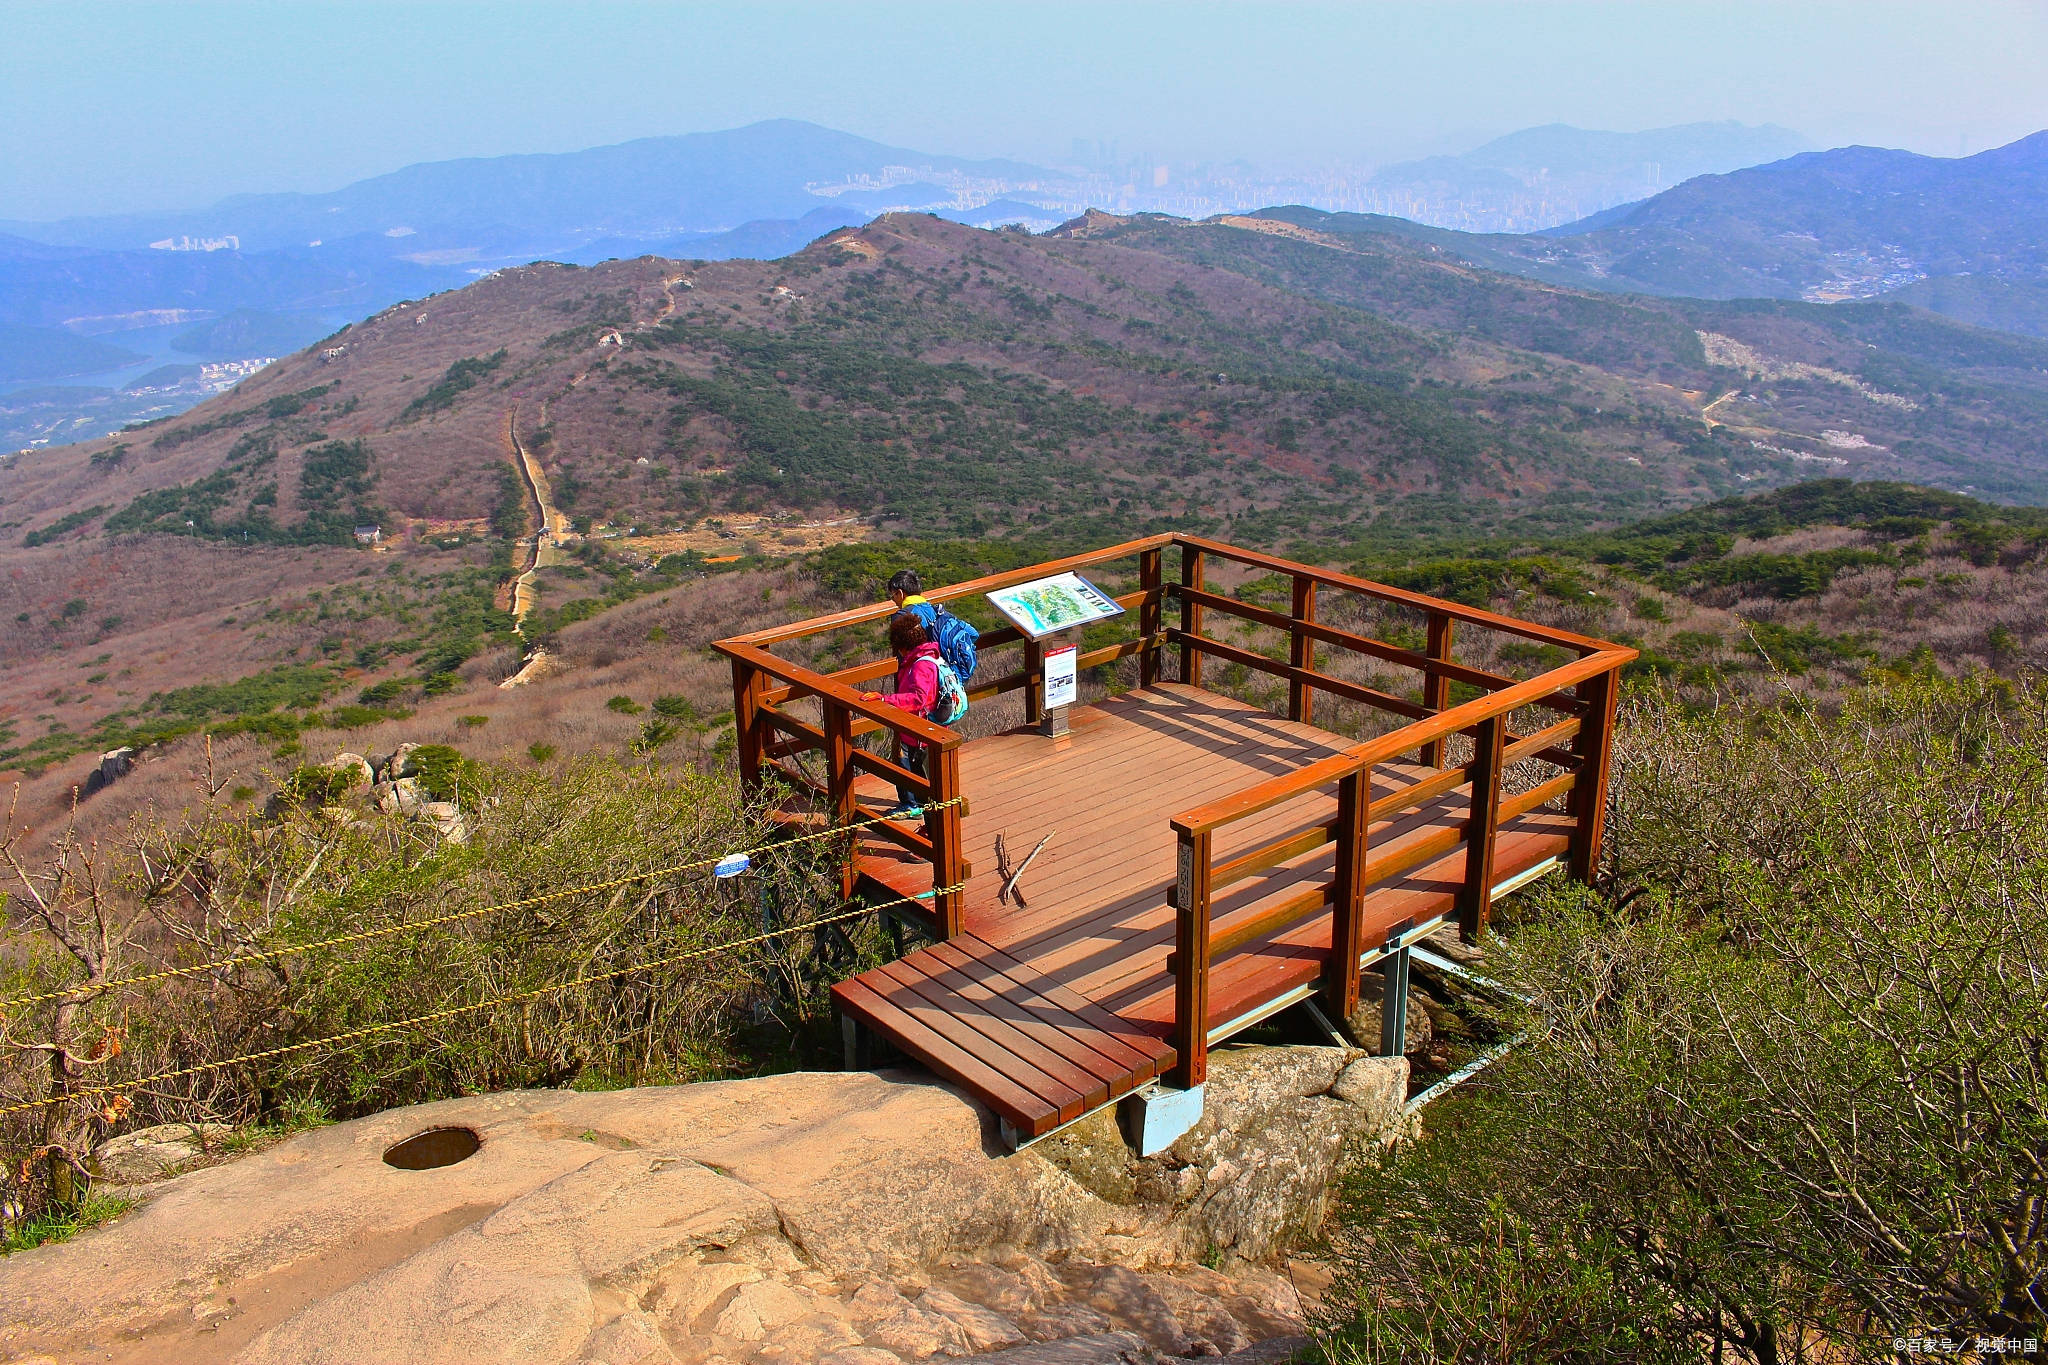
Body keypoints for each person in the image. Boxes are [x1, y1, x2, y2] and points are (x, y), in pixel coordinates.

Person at [863, 612, 941, 815]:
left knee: (921, 782)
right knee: (921, 779)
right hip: (920, 731)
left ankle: (925, 819)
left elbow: (918, 698)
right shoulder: (927, 656)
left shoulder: (920, 665)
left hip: (919, 734)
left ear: (903, 644)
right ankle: (924, 816)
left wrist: (884, 699)